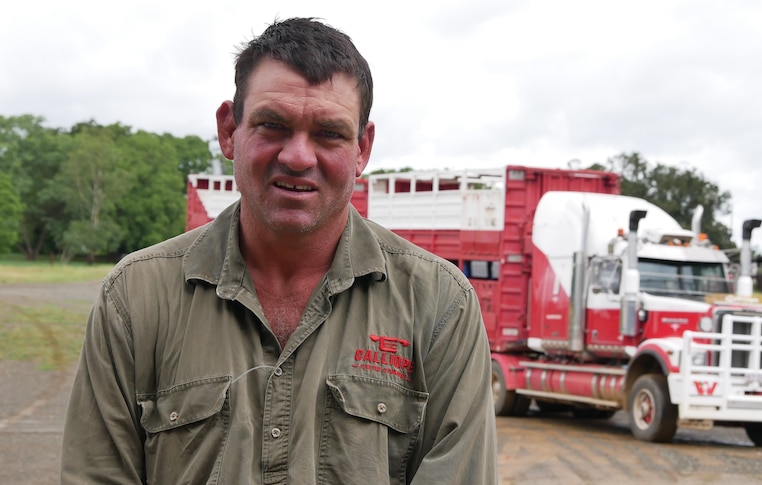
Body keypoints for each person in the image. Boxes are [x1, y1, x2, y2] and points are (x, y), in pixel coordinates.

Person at [61, 17, 497, 484]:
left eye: (329, 133)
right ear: (229, 130)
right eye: (274, 125)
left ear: (362, 148)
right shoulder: (136, 298)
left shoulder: (439, 304)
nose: (298, 156)